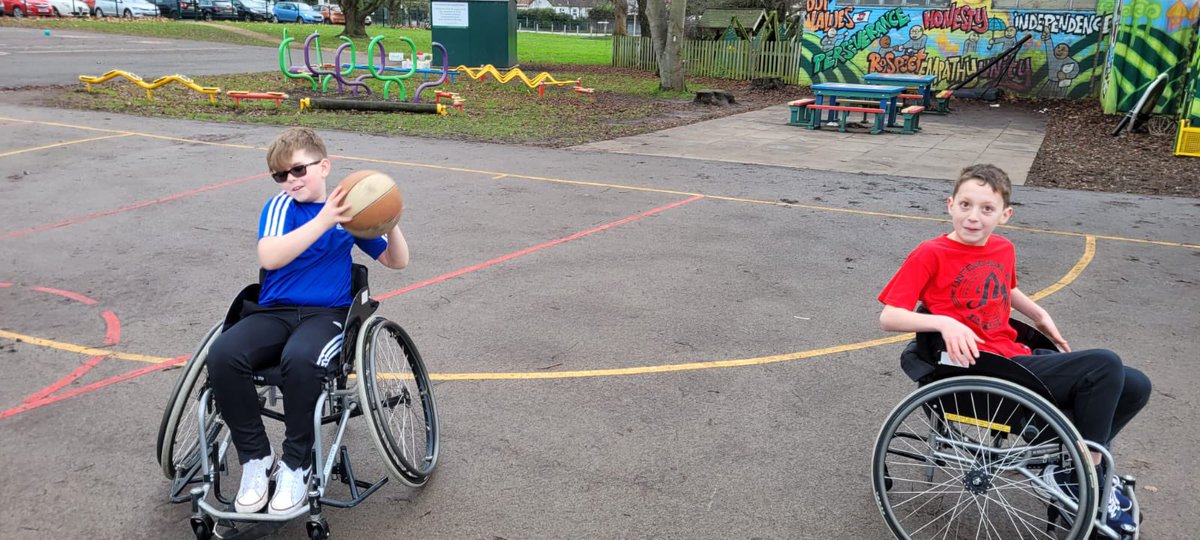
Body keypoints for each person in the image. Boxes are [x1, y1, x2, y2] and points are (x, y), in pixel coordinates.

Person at [876, 164, 1150, 533]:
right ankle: (1089, 470)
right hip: (977, 367)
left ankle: (1067, 462)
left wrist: (1038, 313)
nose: (974, 217)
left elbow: (1006, 287)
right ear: (950, 205)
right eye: (966, 205)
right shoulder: (931, 253)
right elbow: (889, 316)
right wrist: (944, 321)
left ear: (1004, 215)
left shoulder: (1002, 248)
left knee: (1135, 385)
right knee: (1104, 365)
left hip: (1013, 355)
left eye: (986, 209)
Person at [205, 127, 410, 515]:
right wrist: (324, 219)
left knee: (301, 360)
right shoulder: (281, 208)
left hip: (325, 315)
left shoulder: (352, 215)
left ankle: (296, 465)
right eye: (281, 175)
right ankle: (255, 459)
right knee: (223, 354)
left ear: (324, 166)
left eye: (298, 170)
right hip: (275, 311)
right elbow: (270, 256)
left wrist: (389, 218)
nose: (290, 181)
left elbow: (397, 262)